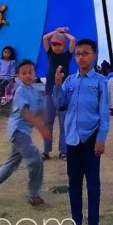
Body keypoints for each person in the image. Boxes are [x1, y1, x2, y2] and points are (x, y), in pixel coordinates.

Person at [53, 39, 109, 225]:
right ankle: (76, 224)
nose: (81, 57)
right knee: (74, 183)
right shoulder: (70, 81)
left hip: (91, 137)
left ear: (94, 56)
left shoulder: (100, 81)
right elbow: (60, 105)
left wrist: (101, 138)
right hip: (72, 139)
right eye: (78, 54)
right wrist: (58, 87)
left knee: (92, 183)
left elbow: (104, 114)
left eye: (85, 53)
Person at [0, 59, 51, 207]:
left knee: (11, 164)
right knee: (35, 159)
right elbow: (26, 112)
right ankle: (34, 194)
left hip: (23, 132)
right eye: (24, 73)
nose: (28, 76)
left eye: (30, 72)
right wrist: (41, 128)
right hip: (18, 131)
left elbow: (41, 111)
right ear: (18, 76)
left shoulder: (35, 92)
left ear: (35, 74)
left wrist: (44, 124)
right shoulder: (20, 91)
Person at [42, 28, 75, 159]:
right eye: (54, 44)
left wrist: (62, 34)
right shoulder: (50, 54)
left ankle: (63, 151)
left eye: (59, 44)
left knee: (64, 124)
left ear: (64, 45)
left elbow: (72, 40)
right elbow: (45, 38)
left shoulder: (67, 56)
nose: (55, 47)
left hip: (63, 94)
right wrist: (56, 30)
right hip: (49, 93)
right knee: (48, 122)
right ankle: (46, 150)